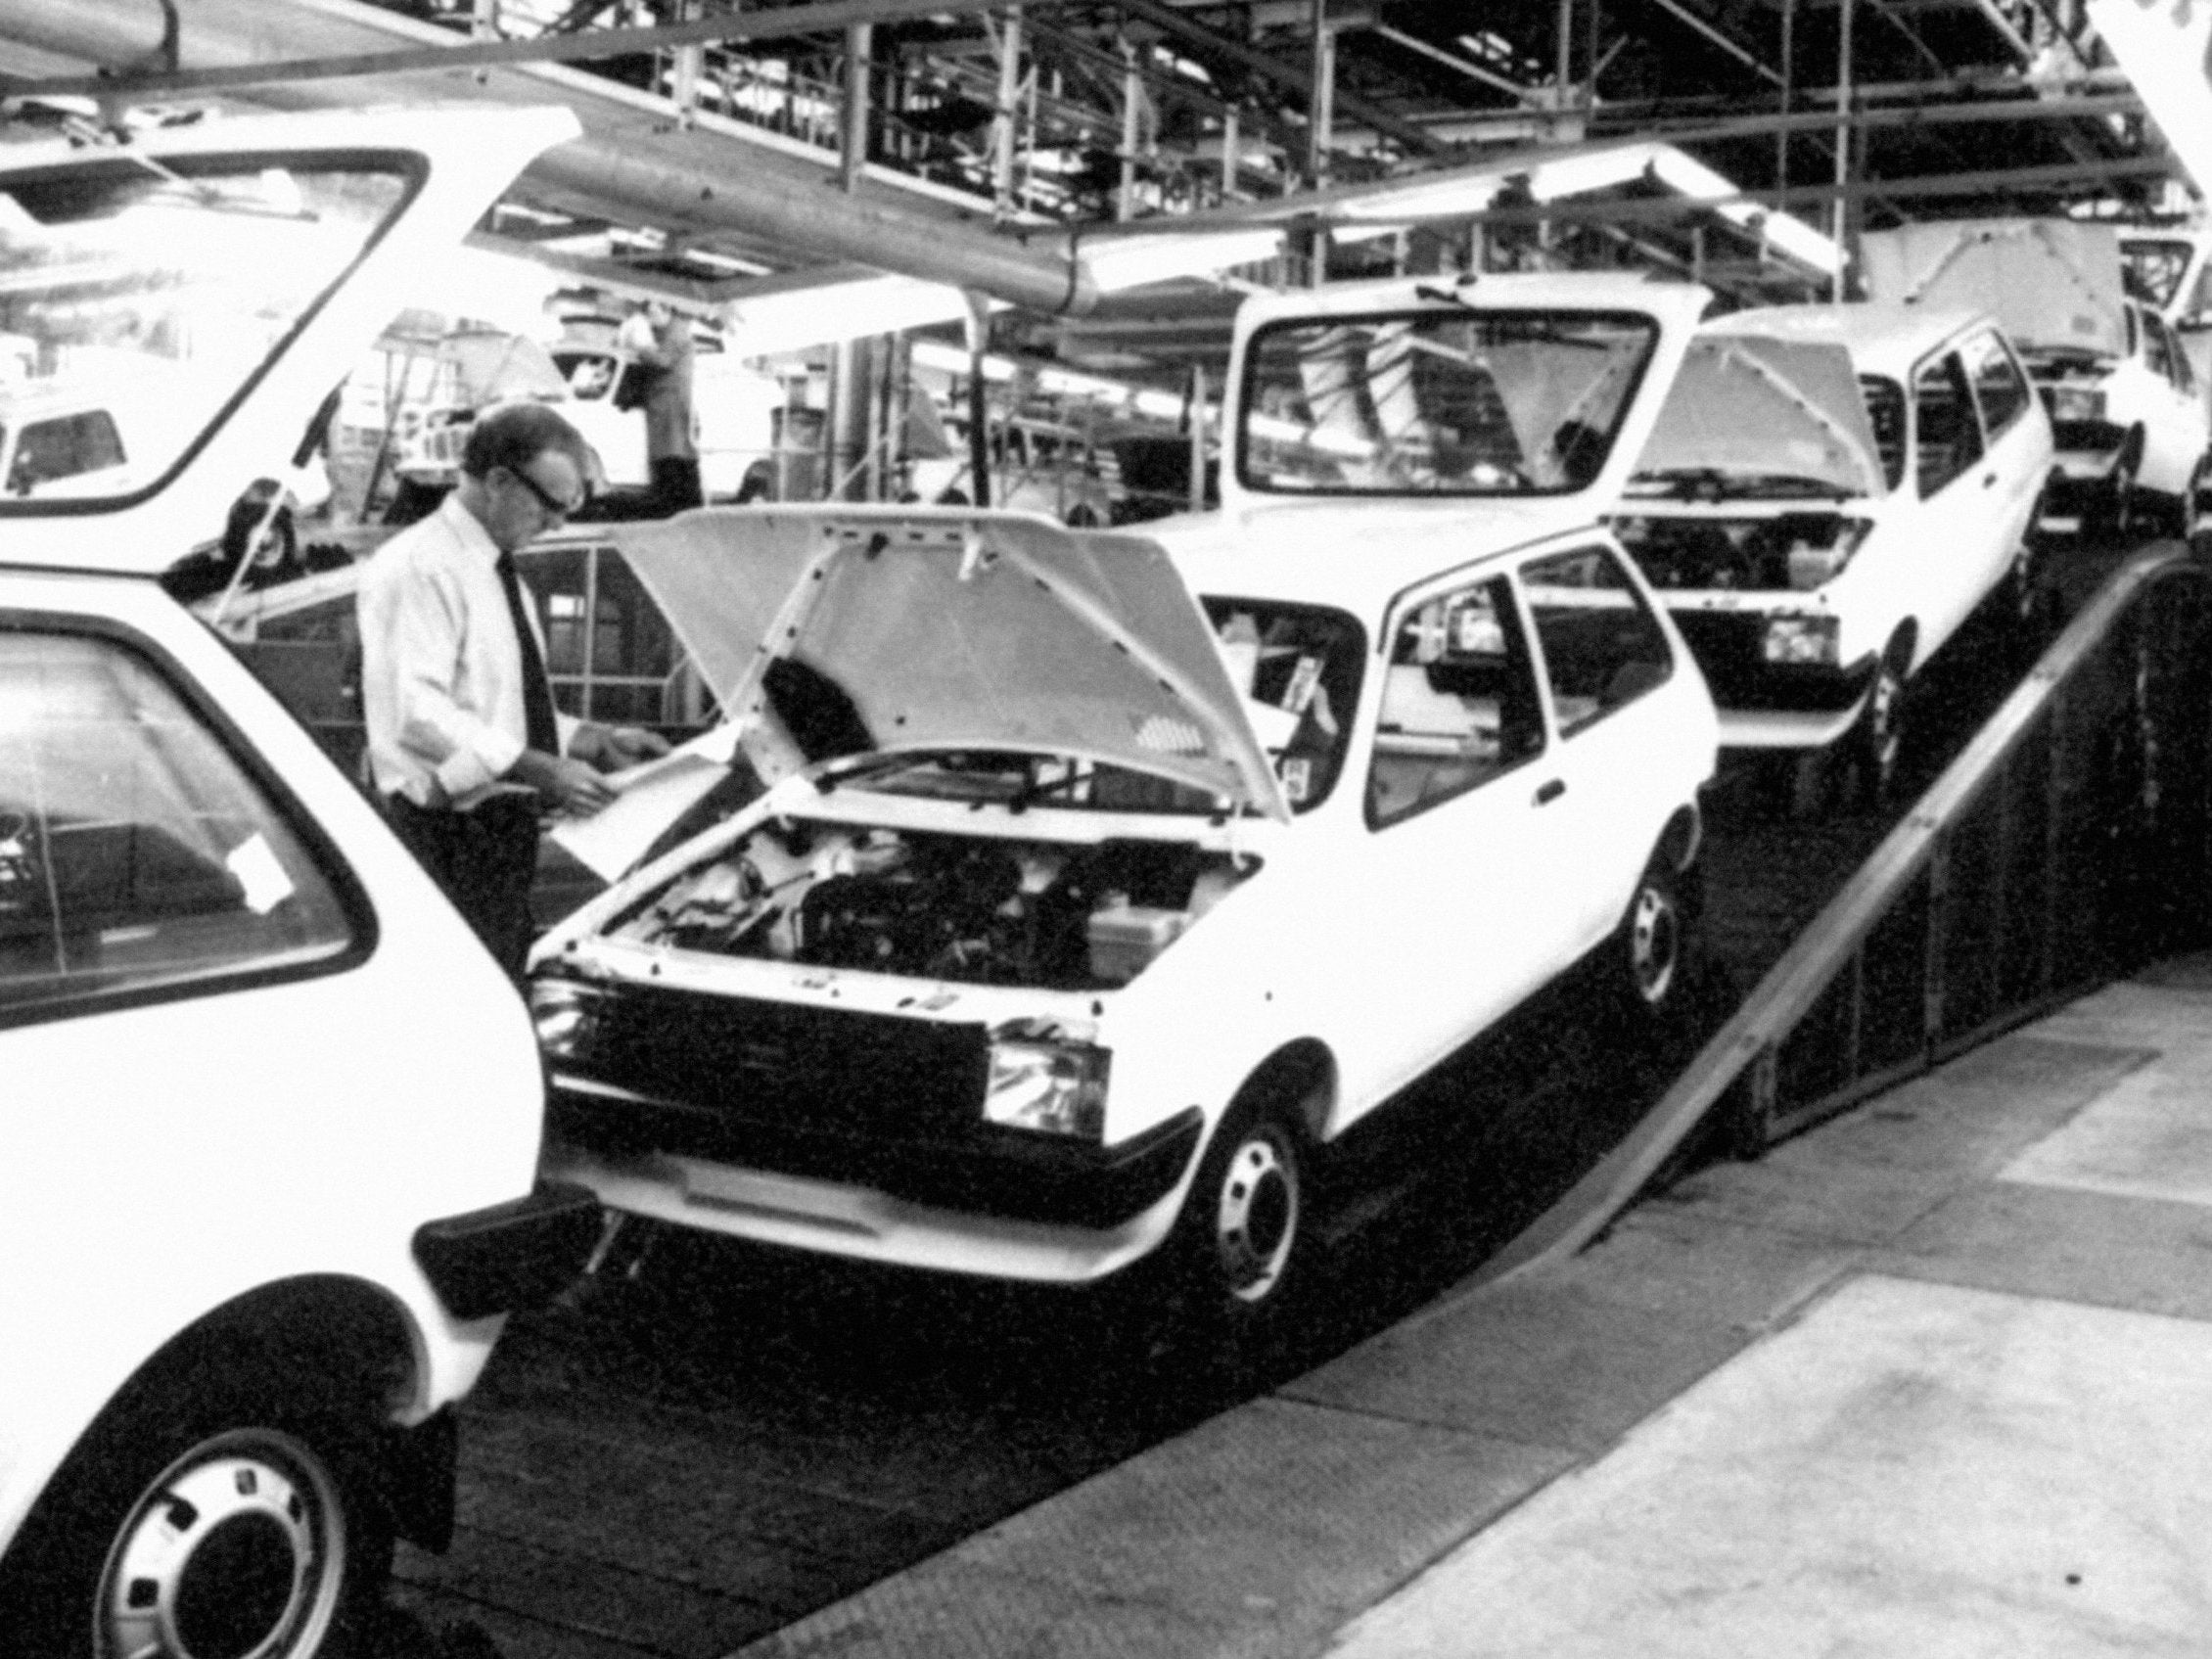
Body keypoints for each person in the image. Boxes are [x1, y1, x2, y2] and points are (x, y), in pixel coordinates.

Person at [356, 400, 668, 979]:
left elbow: (498, 708)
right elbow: (418, 713)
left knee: (500, 982)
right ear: (498, 481)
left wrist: (591, 740)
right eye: (552, 504)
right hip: (441, 835)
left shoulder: (495, 572)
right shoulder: (420, 566)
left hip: (495, 832)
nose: (558, 524)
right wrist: (540, 768)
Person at [620, 299, 702, 516]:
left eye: (653, 313)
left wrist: (640, 347)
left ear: (666, 310)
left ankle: (674, 504)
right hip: (664, 404)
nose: (650, 319)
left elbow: (662, 360)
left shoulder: (677, 333)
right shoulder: (667, 332)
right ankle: (674, 502)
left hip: (671, 404)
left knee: (673, 454)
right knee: (671, 454)